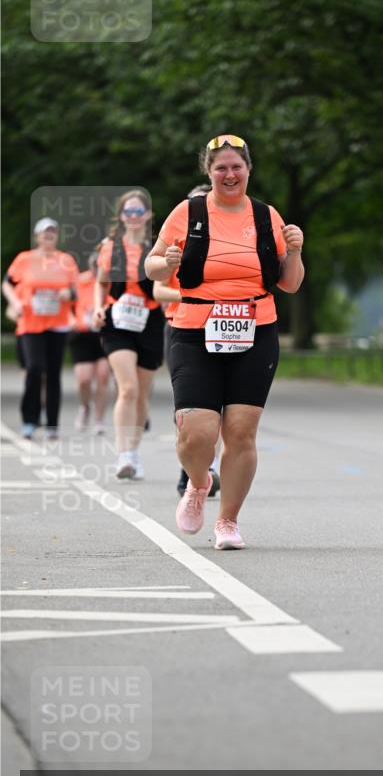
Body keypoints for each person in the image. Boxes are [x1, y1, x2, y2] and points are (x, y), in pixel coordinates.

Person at [145, 133, 304, 549]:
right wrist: (168, 262)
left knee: (240, 432)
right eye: (221, 168)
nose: (229, 175)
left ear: (248, 170)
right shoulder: (188, 212)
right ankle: (199, 482)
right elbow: (152, 267)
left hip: (256, 328)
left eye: (237, 167)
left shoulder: (267, 215)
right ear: (209, 172)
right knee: (196, 432)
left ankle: (228, 522)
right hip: (195, 329)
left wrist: (297, 252)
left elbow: (289, 284)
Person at [153, 183, 221, 498]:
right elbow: (158, 291)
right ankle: (190, 472)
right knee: (190, 405)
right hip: (181, 328)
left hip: (223, 329)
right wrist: (194, 296)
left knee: (218, 406)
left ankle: (207, 468)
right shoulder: (176, 247)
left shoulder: (228, 244)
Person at [92, 189, 163, 479]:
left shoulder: (158, 247)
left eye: (138, 212)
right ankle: (122, 454)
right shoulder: (109, 246)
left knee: (142, 394)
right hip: (117, 322)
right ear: (121, 216)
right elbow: (100, 283)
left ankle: (133, 451)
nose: (133, 217)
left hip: (150, 321)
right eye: (128, 212)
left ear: (147, 215)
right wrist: (97, 308)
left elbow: (168, 284)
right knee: (128, 388)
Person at [2, 217, 78, 440]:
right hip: (30, 322)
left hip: (57, 323)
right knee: (35, 368)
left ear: (57, 236)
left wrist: (67, 294)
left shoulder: (66, 260)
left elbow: (76, 291)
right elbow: (6, 283)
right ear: (37, 236)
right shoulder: (25, 259)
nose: (49, 235)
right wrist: (15, 302)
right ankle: (29, 420)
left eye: (53, 231)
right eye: (45, 232)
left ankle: (52, 423)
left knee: (53, 372)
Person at [69, 247, 111, 434]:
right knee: (84, 378)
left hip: (104, 333)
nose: (97, 269)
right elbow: (66, 304)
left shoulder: (111, 281)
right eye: (94, 265)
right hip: (82, 333)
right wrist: (70, 320)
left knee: (103, 376)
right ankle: (85, 406)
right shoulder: (80, 281)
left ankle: (99, 419)